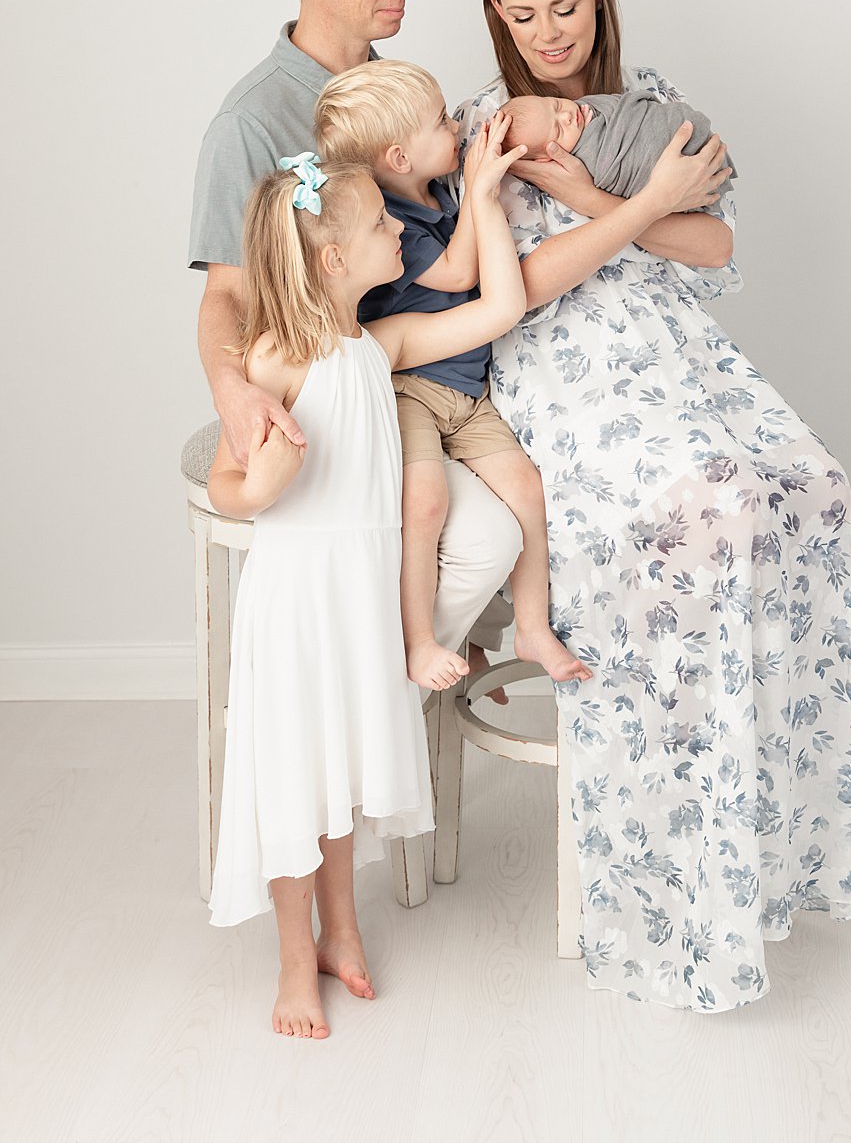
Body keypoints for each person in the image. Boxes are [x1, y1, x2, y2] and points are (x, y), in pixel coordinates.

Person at [456, 0, 851, 1013]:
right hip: (562, 364)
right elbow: (525, 283)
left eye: (564, 4)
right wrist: (643, 210)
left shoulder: (652, 106)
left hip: (674, 346)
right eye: (522, 13)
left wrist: (622, 201)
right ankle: (666, 873)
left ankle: (769, 860)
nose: (547, 31)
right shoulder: (482, 126)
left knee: (814, 493)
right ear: (496, 20)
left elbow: (710, 248)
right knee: (710, 508)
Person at [205, 117, 528, 1038]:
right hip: (300, 606)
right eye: (381, 226)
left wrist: (489, 196)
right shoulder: (276, 360)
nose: (399, 229)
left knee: (342, 773)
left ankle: (342, 931)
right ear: (332, 258)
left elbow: (497, 310)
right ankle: (288, 961)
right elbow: (234, 484)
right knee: (293, 780)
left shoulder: (374, 350)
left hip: (359, 602)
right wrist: (258, 482)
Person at [188, 0, 520, 696]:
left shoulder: (400, 96)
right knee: (455, 534)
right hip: (325, 401)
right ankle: (358, 700)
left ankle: (386, 691)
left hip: (415, 375)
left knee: (501, 524)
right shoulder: (251, 120)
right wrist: (234, 394)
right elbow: (225, 296)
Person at [314, 59, 592, 689]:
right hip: (410, 391)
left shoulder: (439, 195)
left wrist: (474, 184)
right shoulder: (389, 222)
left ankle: (531, 626)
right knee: (427, 502)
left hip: (466, 390)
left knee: (525, 487)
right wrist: (481, 186)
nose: (456, 126)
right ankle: (417, 640)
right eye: (440, 121)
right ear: (398, 156)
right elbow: (462, 273)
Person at [500, 88, 735, 198]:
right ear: (546, 158)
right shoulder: (583, 162)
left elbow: (628, 107)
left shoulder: (588, 105)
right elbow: (616, 172)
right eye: (559, 129)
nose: (568, 116)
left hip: (683, 133)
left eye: (557, 106)